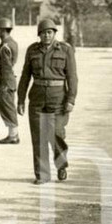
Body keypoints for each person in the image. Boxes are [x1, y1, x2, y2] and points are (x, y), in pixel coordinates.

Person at [17, 18, 78, 185]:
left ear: (54, 33)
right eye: (43, 33)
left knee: (56, 133)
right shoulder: (32, 50)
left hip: (58, 99)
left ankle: (61, 164)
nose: (46, 35)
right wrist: (20, 99)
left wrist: (71, 99)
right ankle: (42, 175)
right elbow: (25, 76)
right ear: (39, 35)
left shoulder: (65, 50)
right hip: (37, 98)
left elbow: (72, 77)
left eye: (49, 32)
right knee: (38, 137)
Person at [0, 18, 21, 144]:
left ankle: (13, 135)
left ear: (3, 30)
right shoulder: (12, 43)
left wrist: (4, 83)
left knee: (7, 106)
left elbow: (6, 67)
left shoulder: (5, 46)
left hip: (5, 80)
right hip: (8, 78)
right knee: (8, 106)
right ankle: (13, 134)